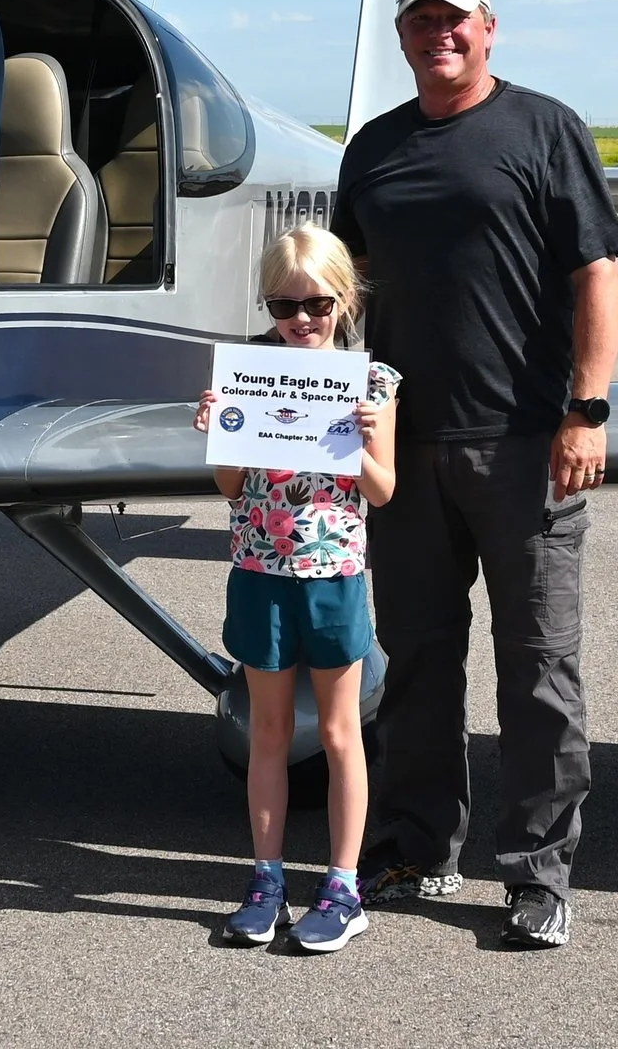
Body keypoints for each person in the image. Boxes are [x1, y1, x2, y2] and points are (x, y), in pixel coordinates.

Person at [331, 0, 618, 950]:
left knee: (539, 666)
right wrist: (290, 399)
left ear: (488, 24)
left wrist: (586, 410)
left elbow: (597, 273)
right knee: (416, 657)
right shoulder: (368, 151)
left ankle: (539, 871)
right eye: (421, 18)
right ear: (402, 33)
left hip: (523, 446)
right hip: (401, 450)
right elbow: (343, 292)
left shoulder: (545, 129)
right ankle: (417, 846)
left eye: (455, 16)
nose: (439, 32)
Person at [193, 226, 401, 953]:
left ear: (344, 300)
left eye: (316, 302)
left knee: (342, 734)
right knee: (269, 734)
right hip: (258, 571)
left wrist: (365, 434)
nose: (301, 319)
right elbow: (228, 487)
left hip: (333, 576)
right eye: (284, 304)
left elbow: (383, 488)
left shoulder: (372, 382)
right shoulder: (249, 374)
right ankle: (267, 878)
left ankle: (342, 884)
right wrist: (222, 429)